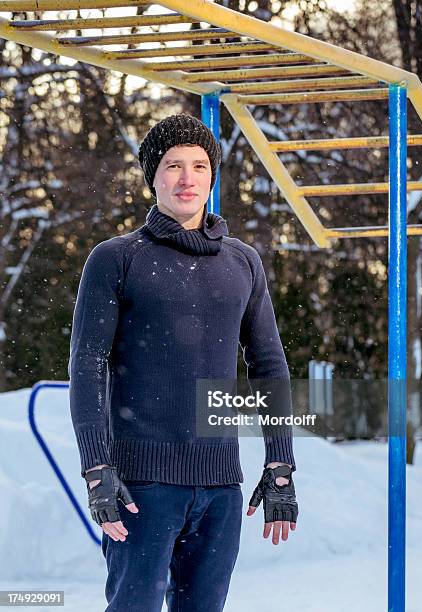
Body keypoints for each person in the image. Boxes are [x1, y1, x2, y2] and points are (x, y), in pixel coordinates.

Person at [68, 114, 299, 612]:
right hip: (141, 486)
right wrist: (96, 468)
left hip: (221, 488)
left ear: (213, 177)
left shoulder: (243, 262)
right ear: (153, 176)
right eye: (173, 165)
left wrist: (280, 463)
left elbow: (268, 363)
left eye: (199, 165)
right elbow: (87, 367)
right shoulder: (117, 258)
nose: (187, 177)